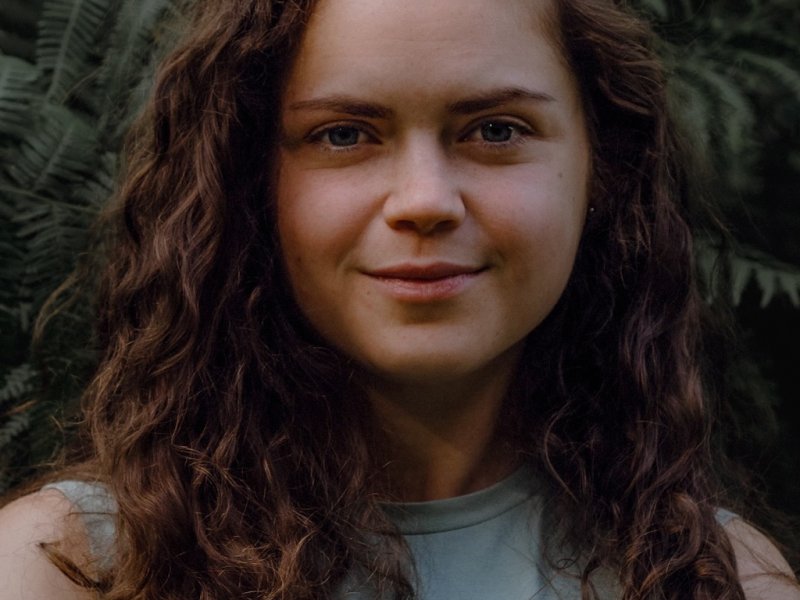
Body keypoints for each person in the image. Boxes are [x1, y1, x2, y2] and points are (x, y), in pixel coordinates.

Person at [0, 0, 798, 598]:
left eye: (496, 130)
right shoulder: (64, 573)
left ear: (603, 173)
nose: (425, 201)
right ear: (245, 183)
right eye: (344, 134)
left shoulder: (719, 582)